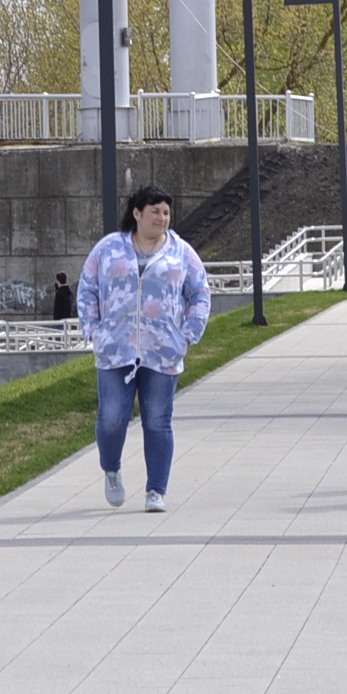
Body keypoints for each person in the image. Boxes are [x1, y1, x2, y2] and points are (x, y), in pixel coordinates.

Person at [77, 182, 212, 513]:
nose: (162, 218)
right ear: (137, 213)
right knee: (111, 420)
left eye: (166, 212)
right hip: (115, 350)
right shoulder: (108, 249)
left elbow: (201, 293)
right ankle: (111, 468)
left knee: (157, 421)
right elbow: (87, 288)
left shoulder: (181, 252)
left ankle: (156, 491)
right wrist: (93, 330)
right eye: (155, 212)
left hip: (162, 351)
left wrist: (187, 335)